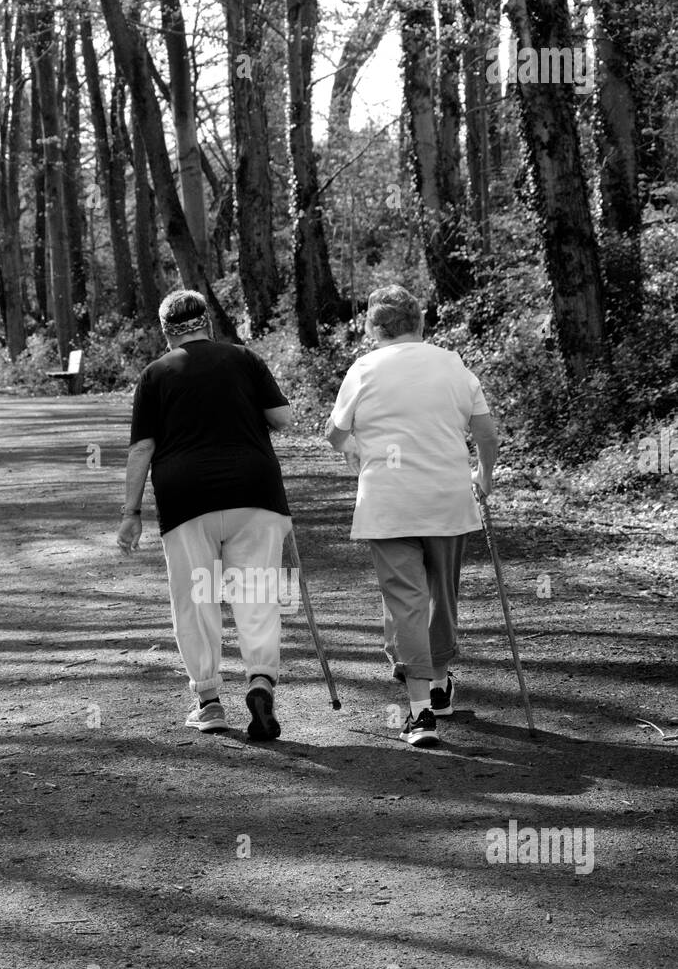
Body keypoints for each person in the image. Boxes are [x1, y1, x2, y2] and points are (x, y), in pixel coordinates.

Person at [325, 284, 499, 748]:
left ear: (372, 328)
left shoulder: (364, 369)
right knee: (442, 595)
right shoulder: (453, 364)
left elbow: (334, 431)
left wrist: (355, 449)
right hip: (446, 500)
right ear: (420, 323)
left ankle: (421, 712)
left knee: (405, 601)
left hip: (389, 503)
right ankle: (438, 686)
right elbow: (486, 432)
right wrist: (483, 476)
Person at [116, 289, 293, 740]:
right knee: (256, 593)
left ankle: (209, 701)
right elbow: (283, 418)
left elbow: (142, 449)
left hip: (186, 499)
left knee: (197, 600)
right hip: (255, 492)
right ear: (206, 323)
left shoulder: (154, 375)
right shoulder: (244, 359)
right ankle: (260, 681)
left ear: (166, 332)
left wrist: (131, 512)